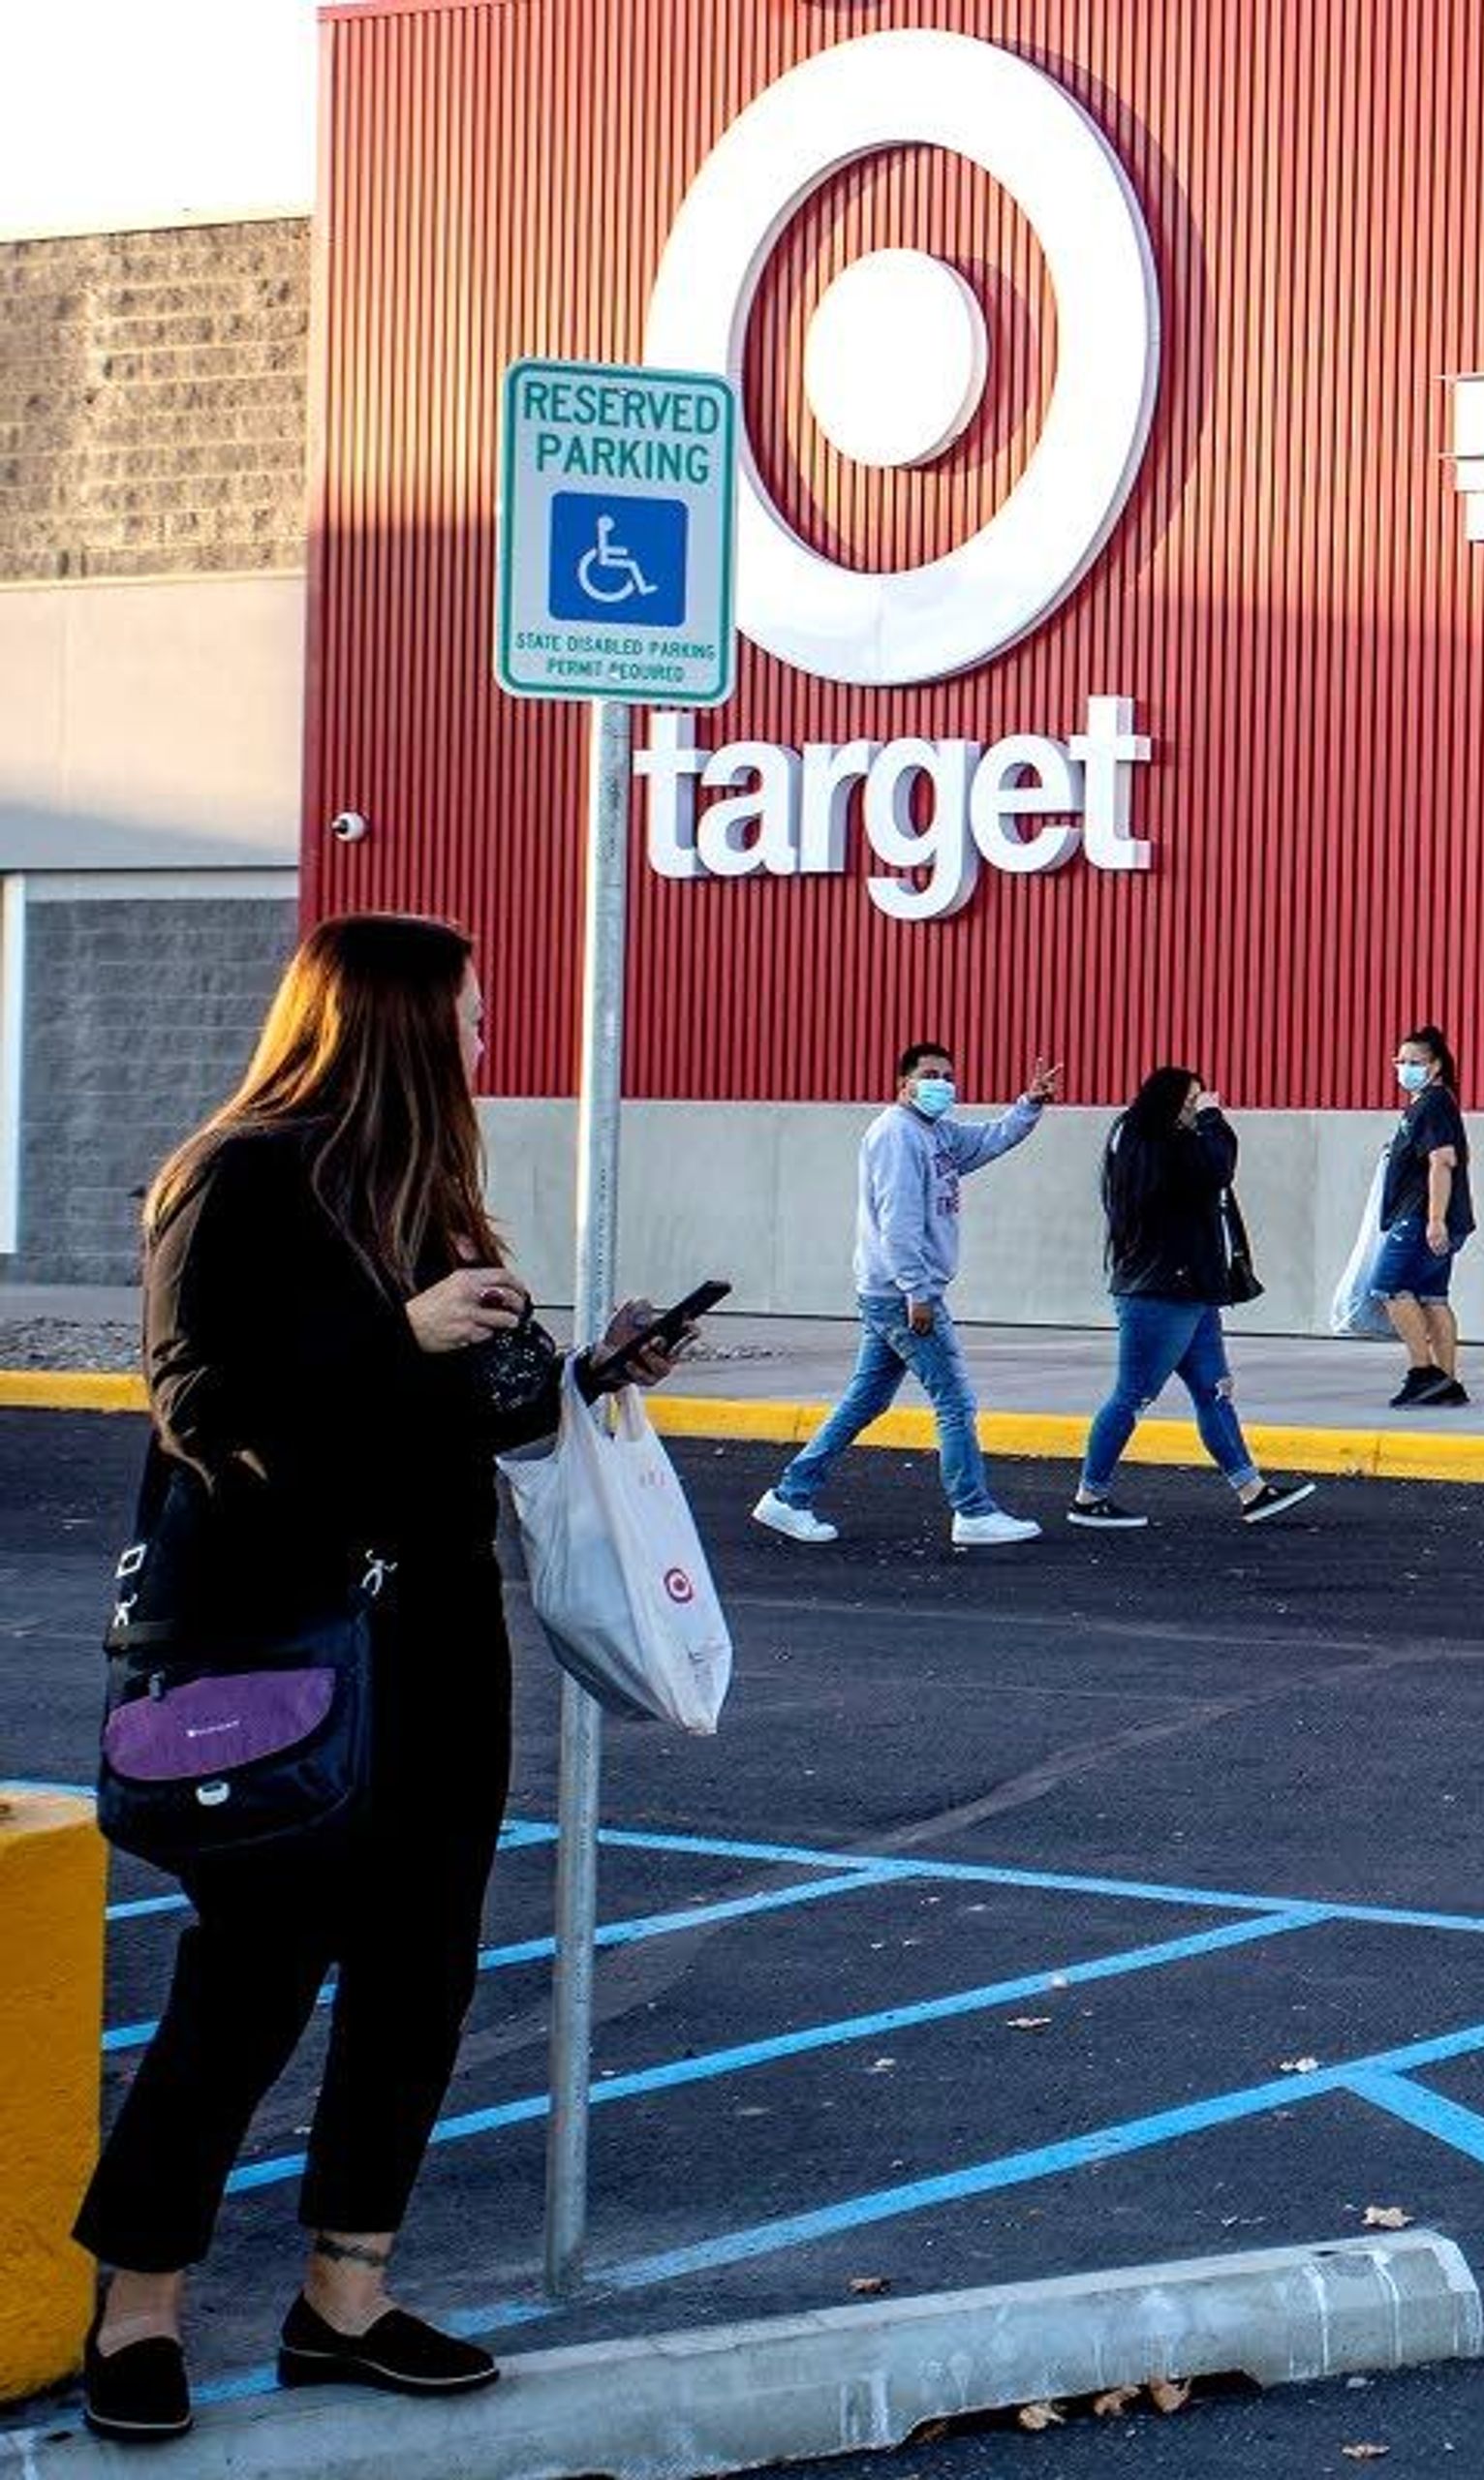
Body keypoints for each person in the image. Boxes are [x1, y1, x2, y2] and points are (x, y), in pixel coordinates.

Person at [78, 914, 676, 2443]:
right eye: (469, 1014)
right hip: (283, 1641)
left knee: (420, 1976)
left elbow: (466, 1413)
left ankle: (347, 2297)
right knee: (249, 1975)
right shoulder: (238, 1172)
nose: (487, 1038)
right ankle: (136, 2306)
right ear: (395, 1025)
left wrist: (580, 1374)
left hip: (437, 1643)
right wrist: (392, 1331)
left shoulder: (429, 1193)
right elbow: (199, 1403)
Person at [754, 1038, 1058, 1547]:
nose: (941, 1084)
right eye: (930, 1074)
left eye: (947, 1075)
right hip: (902, 1295)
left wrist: (1029, 1105)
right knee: (955, 1401)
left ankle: (789, 1497)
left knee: (865, 1401)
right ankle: (973, 1511)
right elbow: (898, 1223)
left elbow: (988, 1140)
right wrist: (917, 1292)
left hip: (892, 1292)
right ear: (904, 1083)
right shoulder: (896, 1135)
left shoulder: (934, 1133)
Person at [1067, 1066, 1319, 1531]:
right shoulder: (1160, 1146)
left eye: (1198, 1101)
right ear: (1168, 1104)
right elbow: (1218, 1167)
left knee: (1214, 1391)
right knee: (1132, 1395)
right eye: (1189, 1101)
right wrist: (1214, 1117)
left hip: (1192, 1291)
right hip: (1162, 1293)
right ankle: (1089, 1495)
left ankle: (1251, 1490)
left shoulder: (1146, 1141)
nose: (1195, 1109)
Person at [1376, 1025, 1477, 1407]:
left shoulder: (1432, 1104)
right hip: (1433, 1215)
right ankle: (1447, 1382)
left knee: (1388, 1287)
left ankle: (1423, 1373)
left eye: (1415, 1062)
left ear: (1435, 1066)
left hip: (1420, 1217)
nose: (1405, 1068)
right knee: (1432, 1296)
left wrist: (1435, 1219)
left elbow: (1442, 1161)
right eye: (1400, 1061)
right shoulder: (1434, 1102)